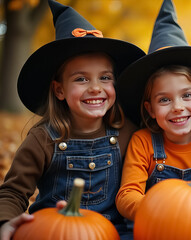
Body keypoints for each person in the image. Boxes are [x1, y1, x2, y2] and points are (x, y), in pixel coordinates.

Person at [0, 1, 145, 239]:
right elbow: (13, 192)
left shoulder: (127, 131)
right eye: (81, 79)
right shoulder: (44, 138)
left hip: (112, 232)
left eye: (105, 77)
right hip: (55, 230)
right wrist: (4, 221)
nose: (96, 88)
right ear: (59, 90)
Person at [115, 0, 191, 223]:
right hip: (153, 225)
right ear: (150, 109)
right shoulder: (143, 142)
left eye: (187, 95)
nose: (177, 107)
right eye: (164, 99)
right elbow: (127, 196)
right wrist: (162, 209)